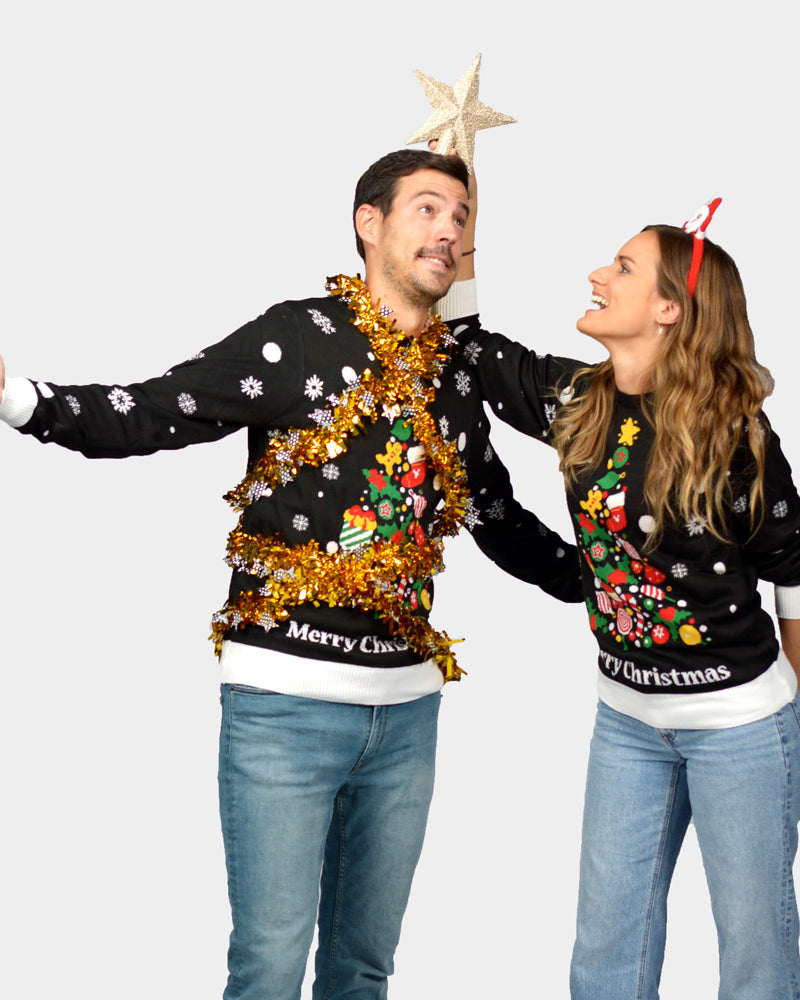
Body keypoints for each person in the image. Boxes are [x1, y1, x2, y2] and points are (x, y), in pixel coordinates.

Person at [0, 148, 581, 1000]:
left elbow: (496, 518)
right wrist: (22, 398)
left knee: (362, 971)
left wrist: (606, 580)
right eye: (427, 209)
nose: (449, 229)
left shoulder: (458, 374)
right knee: (269, 969)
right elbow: (157, 410)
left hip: (407, 713)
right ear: (368, 223)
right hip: (285, 706)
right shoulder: (300, 340)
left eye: (461, 216)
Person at [462, 204, 800, 998]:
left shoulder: (737, 434)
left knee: (757, 955)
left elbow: (793, 562)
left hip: (741, 729)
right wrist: (465, 216)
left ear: (670, 310)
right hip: (628, 722)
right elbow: (467, 346)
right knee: (606, 953)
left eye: (621, 268)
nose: (596, 275)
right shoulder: (578, 399)